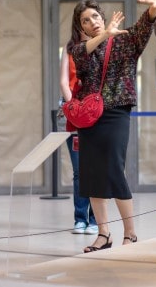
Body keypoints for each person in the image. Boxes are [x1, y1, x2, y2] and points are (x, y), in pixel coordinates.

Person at [70, 0, 156, 252]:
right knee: (92, 174)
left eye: (95, 16)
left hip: (117, 111)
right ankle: (104, 234)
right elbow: (82, 56)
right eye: (85, 20)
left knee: (112, 168)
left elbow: (146, 27)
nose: (91, 22)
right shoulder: (79, 48)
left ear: (102, 16)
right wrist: (104, 35)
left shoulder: (125, 40)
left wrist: (155, 7)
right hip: (90, 117)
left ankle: (130, 233)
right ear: (82, 27)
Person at [59, 35, 97, 235]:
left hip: (97, 112)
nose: (89, 24)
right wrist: (74, 107)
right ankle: (80, 218)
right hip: (75, 113)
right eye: (84, 21)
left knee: (96, 169)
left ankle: (95, 219)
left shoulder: (103, 44)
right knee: (79, 171)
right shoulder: (70, 47)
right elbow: (64, 82)